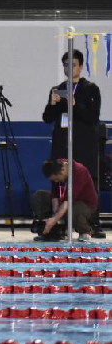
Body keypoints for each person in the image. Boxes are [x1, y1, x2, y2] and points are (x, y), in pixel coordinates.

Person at [42, 49, 104, 238]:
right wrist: (52, 104)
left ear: (81, 66)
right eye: (65, 65)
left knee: (87, 180)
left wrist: (76, 105)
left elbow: (93, 117)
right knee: (59, 180)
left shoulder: (91, 89)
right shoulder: (58, 89)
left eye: (73, 64)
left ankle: (92, 224)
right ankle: (60, 223)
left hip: (83, 144)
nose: (69, 68)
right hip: (62, 142)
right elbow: (47, 118)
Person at [33, 158, 97, 241]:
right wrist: (53, 216)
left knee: (71, 209)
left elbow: (68, 202)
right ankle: (52, 231)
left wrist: (54, 219)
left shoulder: (79, 171)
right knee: (40, 196)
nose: (56, 181)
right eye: (53, 180)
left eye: (57, 178)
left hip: (84, 204)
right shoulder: (55, 168)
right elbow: (55, 196)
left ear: (63, 171)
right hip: (65, 201)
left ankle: (85, 230)